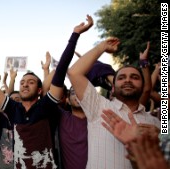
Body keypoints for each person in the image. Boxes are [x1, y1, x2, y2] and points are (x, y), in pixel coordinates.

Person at [0, 14, 93, 168]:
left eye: (31, 82)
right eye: (22, 82)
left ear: (40, 89)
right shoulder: (13, 108)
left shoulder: (46, 106)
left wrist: (75, 35)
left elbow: (61, 69)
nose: (25, 85)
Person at [68, 37, 160, 169]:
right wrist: (102, 47)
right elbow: (74, 73)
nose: (128, 80)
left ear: (143, 85)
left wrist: (160, 139)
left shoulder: (155, 124)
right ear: (113, 86)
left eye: (134, 77)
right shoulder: (98, 106)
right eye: (121, 78)